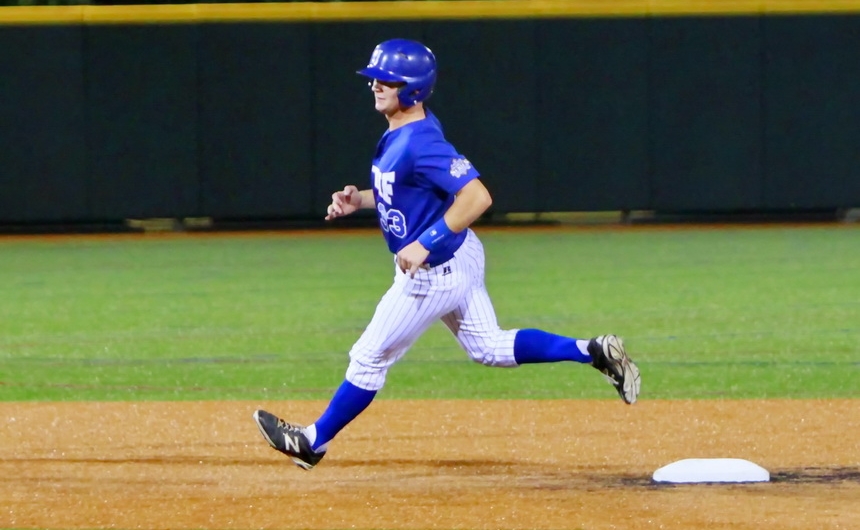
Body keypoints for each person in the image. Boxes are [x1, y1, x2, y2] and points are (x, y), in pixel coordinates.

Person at [253, 38, 640, 470]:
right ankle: (593, 351)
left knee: (368, 358)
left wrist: (425, 242)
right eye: (375, 77)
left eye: (388, 80)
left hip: (433, 273)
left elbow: (476, 197)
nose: (376, 85)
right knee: (489, 347)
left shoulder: (420, 141)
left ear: (413, 89)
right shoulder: (404, 129)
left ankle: (312, 442)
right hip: (460, 256)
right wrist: (358, 200)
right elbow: (408, 191)